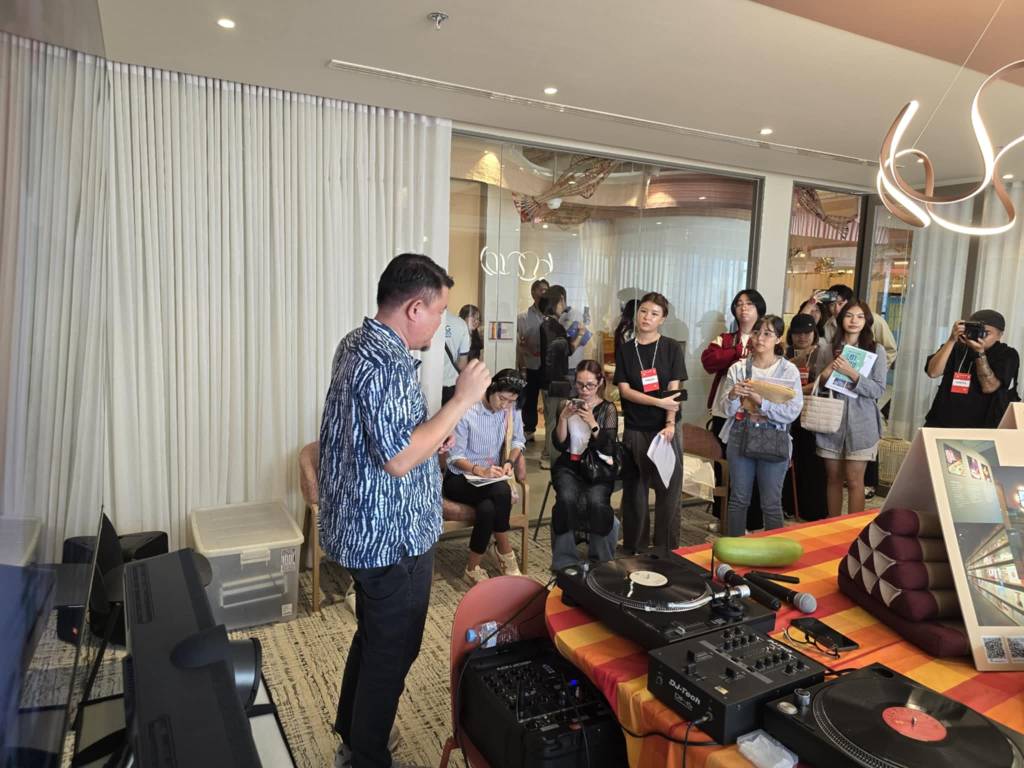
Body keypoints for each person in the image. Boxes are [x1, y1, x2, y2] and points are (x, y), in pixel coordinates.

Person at [319, 253, 491, 768]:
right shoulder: (385, 363)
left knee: (376, 639)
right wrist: (461, 402)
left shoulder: (359, 342)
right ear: (415, 308)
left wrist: (435, 436)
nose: (441, 324)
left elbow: (389, 437)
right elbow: (396, 458)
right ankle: (366, 756)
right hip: (390, 536)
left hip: (368, 528)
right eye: (439, 312)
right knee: (392, 650)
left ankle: (354, 734)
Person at [614, 292, 685, 553]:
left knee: (669, 489)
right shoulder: (625, 349)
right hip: (635, 427)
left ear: (662, 319)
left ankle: (666, 548)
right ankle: (636, 547)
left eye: (654, 314)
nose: (647, 317)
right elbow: (624, 391)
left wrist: (670, 422)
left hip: (666, 429)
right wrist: (658, 402)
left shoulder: (671, 347)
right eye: (643, 311)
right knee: (635, 491)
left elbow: (674, 389)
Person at [720, 315, 804, 536]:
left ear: (778, 339)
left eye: (767, 333)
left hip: (774, 436)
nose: (760, 338)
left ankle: (773, 550)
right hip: (740, 433)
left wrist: (761, 402)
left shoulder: (789, 371)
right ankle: (735, 547)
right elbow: (725, 410)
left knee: (771, 502)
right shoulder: (738, 368)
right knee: (738, 498)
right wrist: (732, 395)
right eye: (757, 332)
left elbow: (792, 412)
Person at [443, 369, 527, 583]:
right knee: (501, 490)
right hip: (460, 479)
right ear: (491, 389)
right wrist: (479, 471)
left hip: (491, 479)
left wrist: (509, 462)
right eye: (502, 398)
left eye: (511, 401)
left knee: (487, 509)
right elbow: (454, 457)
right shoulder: (468, 410)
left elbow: (518, 441)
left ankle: (472, 568)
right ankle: (504, 550)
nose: (505, 405)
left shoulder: (511, 409)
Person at [811, 300, 887, 518]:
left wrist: (852, 373)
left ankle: (852, 530)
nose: (854, 321)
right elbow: (818, 384)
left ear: (867, 321)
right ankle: (833, 524)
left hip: (862, 424)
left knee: (855, 480)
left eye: (860, 316)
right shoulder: (827, 349)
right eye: (849, 315)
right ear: (840, 319)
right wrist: (829, 371)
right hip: (831, 420)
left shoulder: (876, 350)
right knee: (833, 478)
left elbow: (878, 389)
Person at [550, 360, 621, 570]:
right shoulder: (566, 405)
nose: (584, 390)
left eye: (590, 385)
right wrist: (563, 419)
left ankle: (601, 560)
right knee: (566, 499)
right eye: (580, 384)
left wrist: (592, 422)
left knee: (597, 502)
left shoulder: (607, 409)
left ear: (600, 383)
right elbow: (559, 444)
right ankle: (564, 561)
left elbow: (608, 447)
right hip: (569, 465)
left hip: (597, 467)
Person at [924, 309, 1020, 429]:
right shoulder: (956, 347)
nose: (979, 336)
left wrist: (979, 353)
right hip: (941, 422)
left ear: (1000, 335)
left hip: (981, 427)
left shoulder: (1007, 354)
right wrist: (952, 340)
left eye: (985, 333)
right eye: (974, 330)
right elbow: (933, 372)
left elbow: (989, 387)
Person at [702, 289, 766, 437]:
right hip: (725, 403)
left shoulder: (766, 340)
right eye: (739, 304)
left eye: (749, 304)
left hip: (756, 406)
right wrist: (736, 351)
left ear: (759, 309)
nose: (744, 308)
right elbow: (708, 362)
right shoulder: (725, 339)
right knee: (720, 447)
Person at [782, 313, 827, 520]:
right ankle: (789, 506)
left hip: (813, 411)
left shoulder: (822, 352)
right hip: (788, 413)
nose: (802, 337)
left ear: (814, 333)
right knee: (790, 460)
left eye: (807, 332)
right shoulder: (784, 352)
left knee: (812, 461)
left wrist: (800, 390)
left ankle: (812, 510)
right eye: (798, 333)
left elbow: (825, 381)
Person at [539, 286, 584, 470]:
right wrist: (580, 335)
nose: (564, 305)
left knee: (552, 419)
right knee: (554, 421)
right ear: (558, 301)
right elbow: (567, 350)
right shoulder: (553, 326)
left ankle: (547, 454)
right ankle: (551, 458)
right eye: (563, 300)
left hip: (549, 381)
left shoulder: (548, 324)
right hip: (555, 382)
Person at [516, 278, 549, 442]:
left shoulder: (552, 316)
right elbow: (518, 344)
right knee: (530, 398)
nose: (544, 293)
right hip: (531, 364)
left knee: (549, 399)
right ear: (533, 293)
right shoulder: (523, 317)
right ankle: (529, 429)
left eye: (546, 290)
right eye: (541, 289)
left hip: (549, 365)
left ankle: (551, 431)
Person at [442, 310, 471, 405]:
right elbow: (462, 363)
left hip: (424, 384)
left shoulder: (420, 318)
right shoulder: (460, 323)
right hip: (450, 384)